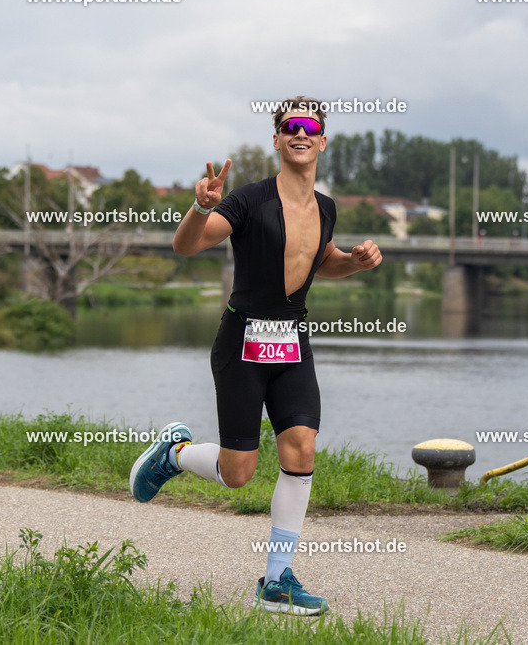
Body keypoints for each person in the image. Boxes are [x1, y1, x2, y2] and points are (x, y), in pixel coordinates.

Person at [129, 96, 382, 615]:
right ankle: (173, 455)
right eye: (290, 126)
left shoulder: (327, 208)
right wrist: (200, 207)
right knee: (238, 472)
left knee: (301, 449)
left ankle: (275, 581)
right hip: (242, 343)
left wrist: (353, 262)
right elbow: (186, 246)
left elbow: (320, 261)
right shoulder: (246, 201)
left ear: (322, 140)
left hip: (292, 343)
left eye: (311, 126)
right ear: (277, 139)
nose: (301, 133)